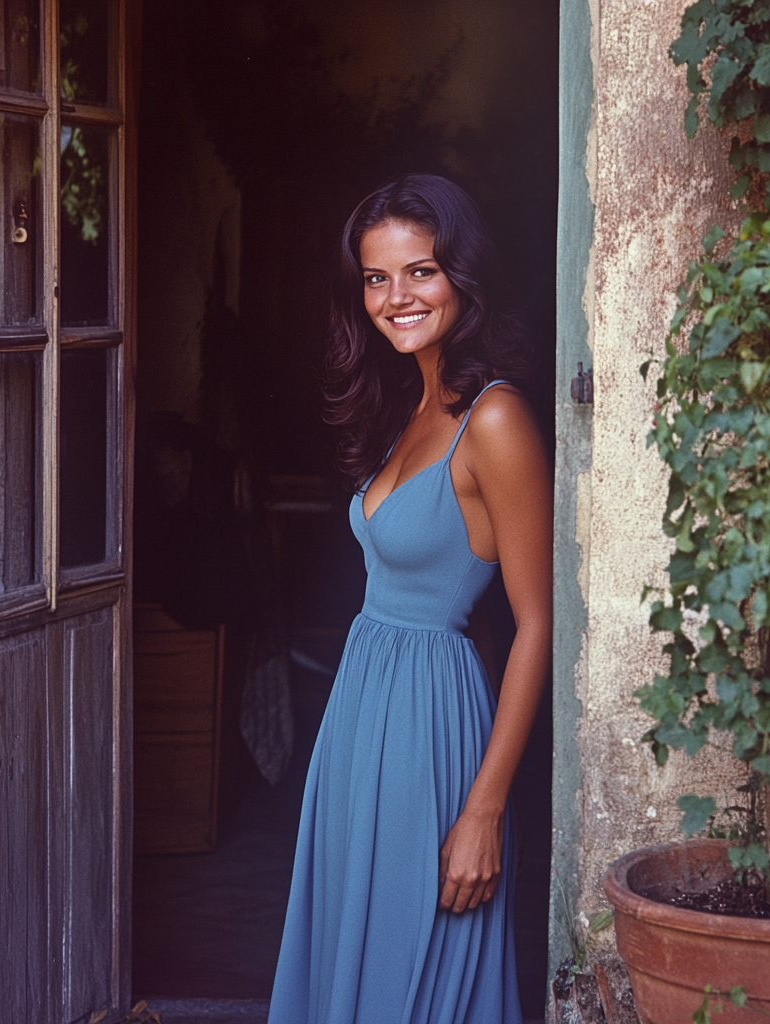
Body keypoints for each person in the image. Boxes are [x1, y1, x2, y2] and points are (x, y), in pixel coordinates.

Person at [268, 173, 552, 1024]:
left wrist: (485, 809)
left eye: (420, 272)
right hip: (363, 715)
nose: (396, 297)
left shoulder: (495, 419)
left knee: (417, 971)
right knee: (353, 954)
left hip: (432, 728)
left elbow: (535, 621)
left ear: (463, 275)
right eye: (375, 277)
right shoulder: (413, 404)